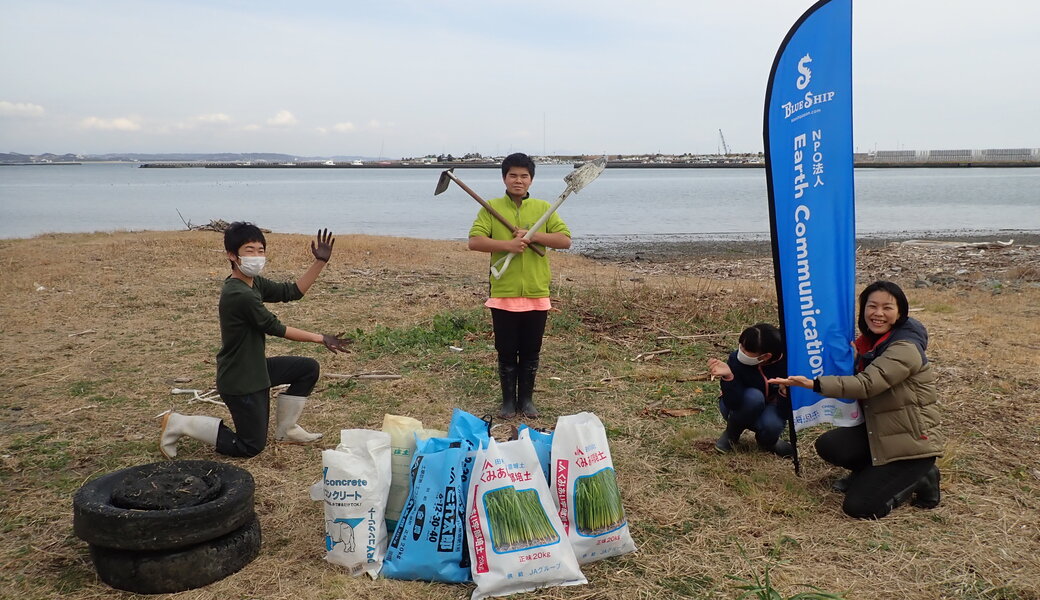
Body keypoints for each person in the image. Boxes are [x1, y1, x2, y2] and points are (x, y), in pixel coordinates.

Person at [160, 223, 351, 459]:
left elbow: (291, 292)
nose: (257, 256)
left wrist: (320, 262)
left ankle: (287, 430)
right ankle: (179, 424)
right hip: (240, 381)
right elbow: (275, 327)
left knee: (307, 369)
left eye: (261, 250)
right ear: (232, 255)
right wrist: (321, 338)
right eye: (249, 250)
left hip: (256, 369)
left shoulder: (253, 283)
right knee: (251, 446)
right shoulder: (239, 294)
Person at [769, 280, 942, 519]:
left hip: (911, 443)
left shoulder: (905, 348)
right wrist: (795, 384)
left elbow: (866, 384)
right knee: (830, 446)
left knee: (859, 507)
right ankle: (872, 472)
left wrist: (811, 384)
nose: (878, 313)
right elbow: (847, 372)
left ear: (900, 312)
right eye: (872, 306)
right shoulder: (869, 343)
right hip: (882, 430)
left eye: (887, 307)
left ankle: (920, 477)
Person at [468, 153, 571, 419]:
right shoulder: (490, 207)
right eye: (513, 175)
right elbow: (475, 241)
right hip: (504, 292)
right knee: (505, 350)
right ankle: (507, 403)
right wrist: (508, 245)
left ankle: (526, 401)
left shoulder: (544, 209)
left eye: (524, 176)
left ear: (531, 180)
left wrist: (532, 235)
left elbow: (564, 240)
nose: (518, 180)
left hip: (537, 292)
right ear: (504, 177)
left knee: (531, 350)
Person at [708, 323, 793, 457]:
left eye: (745, 349)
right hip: (740, 406)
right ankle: (732, 434)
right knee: (754, 397)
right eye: (740, 345)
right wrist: (728, 377)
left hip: (771, 406)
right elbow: (732, 403)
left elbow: (785, 413)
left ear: (766, 356)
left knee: (773, 424)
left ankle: (768, 442)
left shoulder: (790, 364)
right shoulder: (735, 360)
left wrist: (784, 394)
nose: (740, 351)